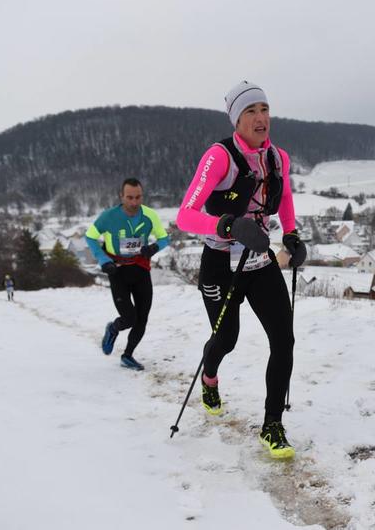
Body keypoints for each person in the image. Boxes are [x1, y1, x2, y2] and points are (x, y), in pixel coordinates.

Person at [176, 81, 306, 459]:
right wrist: (227, 226)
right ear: (237, 118)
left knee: (284, 340)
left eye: (264, 109)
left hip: (260, 260)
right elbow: (186, 215)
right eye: (251, 111)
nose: (261, 117)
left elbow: (284, 199)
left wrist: (293, 236)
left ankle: (272, 424)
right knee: (226, 339)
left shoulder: (277, 157)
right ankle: (210, 377)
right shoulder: (220, 156)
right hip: (220, 263)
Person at [85, 178, 170, 371]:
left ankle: (128, 355)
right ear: (121, 196)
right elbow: (90, 237)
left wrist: (155, 246)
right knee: (129, 318)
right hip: (118, 271)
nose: (134, 202)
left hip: (140, 269)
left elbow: (165, 238)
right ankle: (113, 328)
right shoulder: (108, 216)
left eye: (138, 197)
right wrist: (103, 260)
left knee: (142, 319)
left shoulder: (150, 215)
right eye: (129, 197)